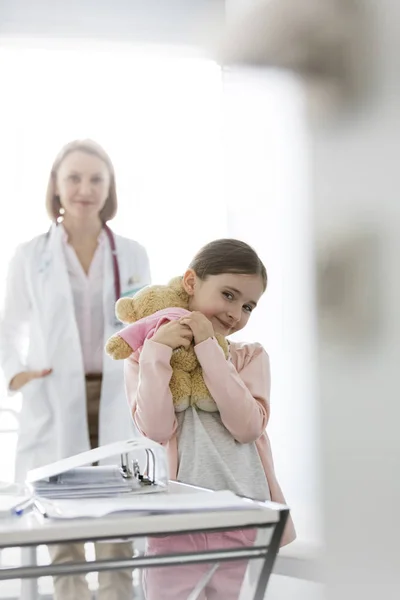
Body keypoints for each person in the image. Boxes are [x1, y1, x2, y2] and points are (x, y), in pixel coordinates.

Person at [0, 139, 151, 600]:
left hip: (115, 396)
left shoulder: (131, 252)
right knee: (61, 522)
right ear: (56, 186)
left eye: (95, 179)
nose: (85, 188)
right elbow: (9, 323)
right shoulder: (32, 254)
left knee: (117, 519)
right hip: (55, 396)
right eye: (74, 177)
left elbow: (146, 324)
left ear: (109, 189)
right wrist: (16, 375)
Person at [124, 238, 296, 600]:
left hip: (240, 514)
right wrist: (157, 352)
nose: (236, 313)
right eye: (229, 295)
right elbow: (156, 429)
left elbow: (247, 426)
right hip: (173, 521)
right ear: (191, 282)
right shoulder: (145, 357)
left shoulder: (250, 357)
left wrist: (208, 350)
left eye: (248, 305)